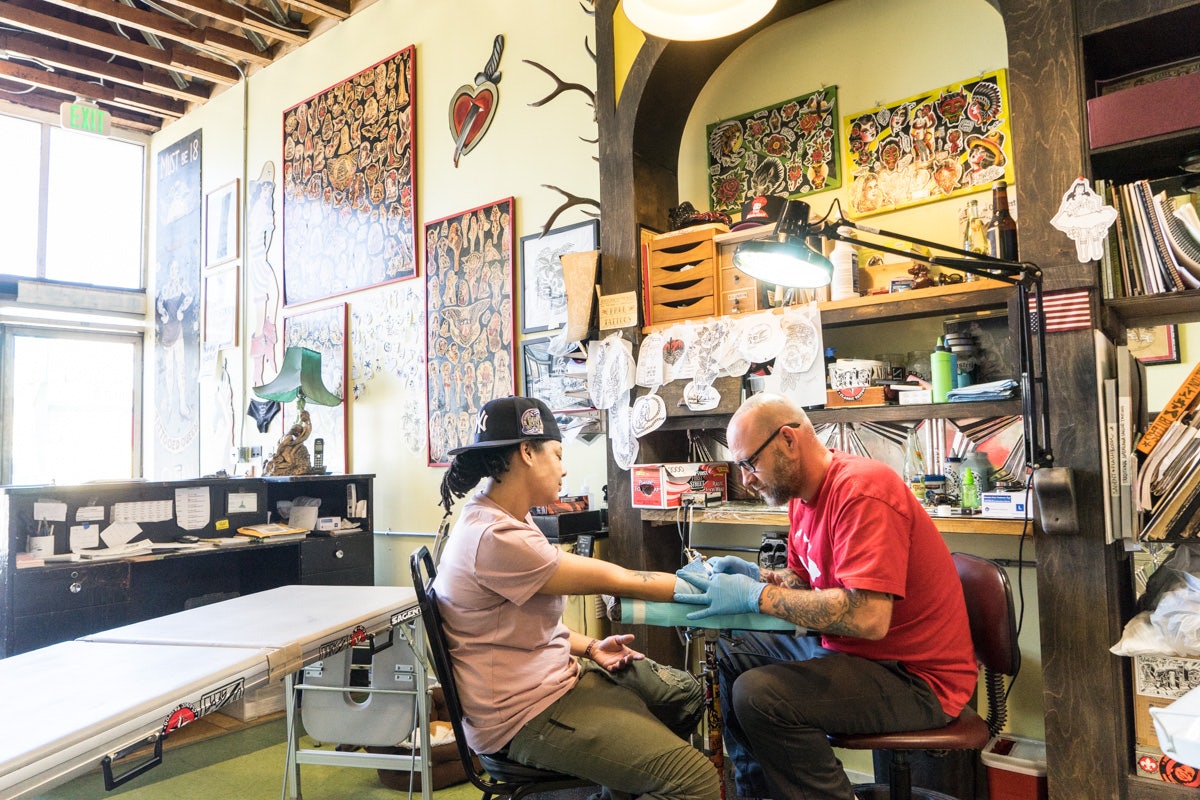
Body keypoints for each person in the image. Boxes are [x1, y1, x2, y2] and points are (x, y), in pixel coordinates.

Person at [673, 393, 978, 800]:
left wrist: (756, 596)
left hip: (915, 677)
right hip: (853, 655)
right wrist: (759, 575)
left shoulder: (862, 490)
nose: (745, 478)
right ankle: (762, 794)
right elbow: (807, 586)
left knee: (760, 695)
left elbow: (868, 617)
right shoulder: (802, 498)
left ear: (787, 440)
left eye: (749, 463)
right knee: (733, 651)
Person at [435, 395, 720, 800]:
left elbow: (512, 628)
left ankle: (622, 781)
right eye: (558, 453)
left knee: (685, 695)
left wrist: (590, 647)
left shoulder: (507, 517)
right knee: (695, 779)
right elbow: (622, 580)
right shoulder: (494, 537)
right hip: (524, 714)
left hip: (550, 680)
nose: (564, 467)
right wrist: (710, 587)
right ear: (527, 453)